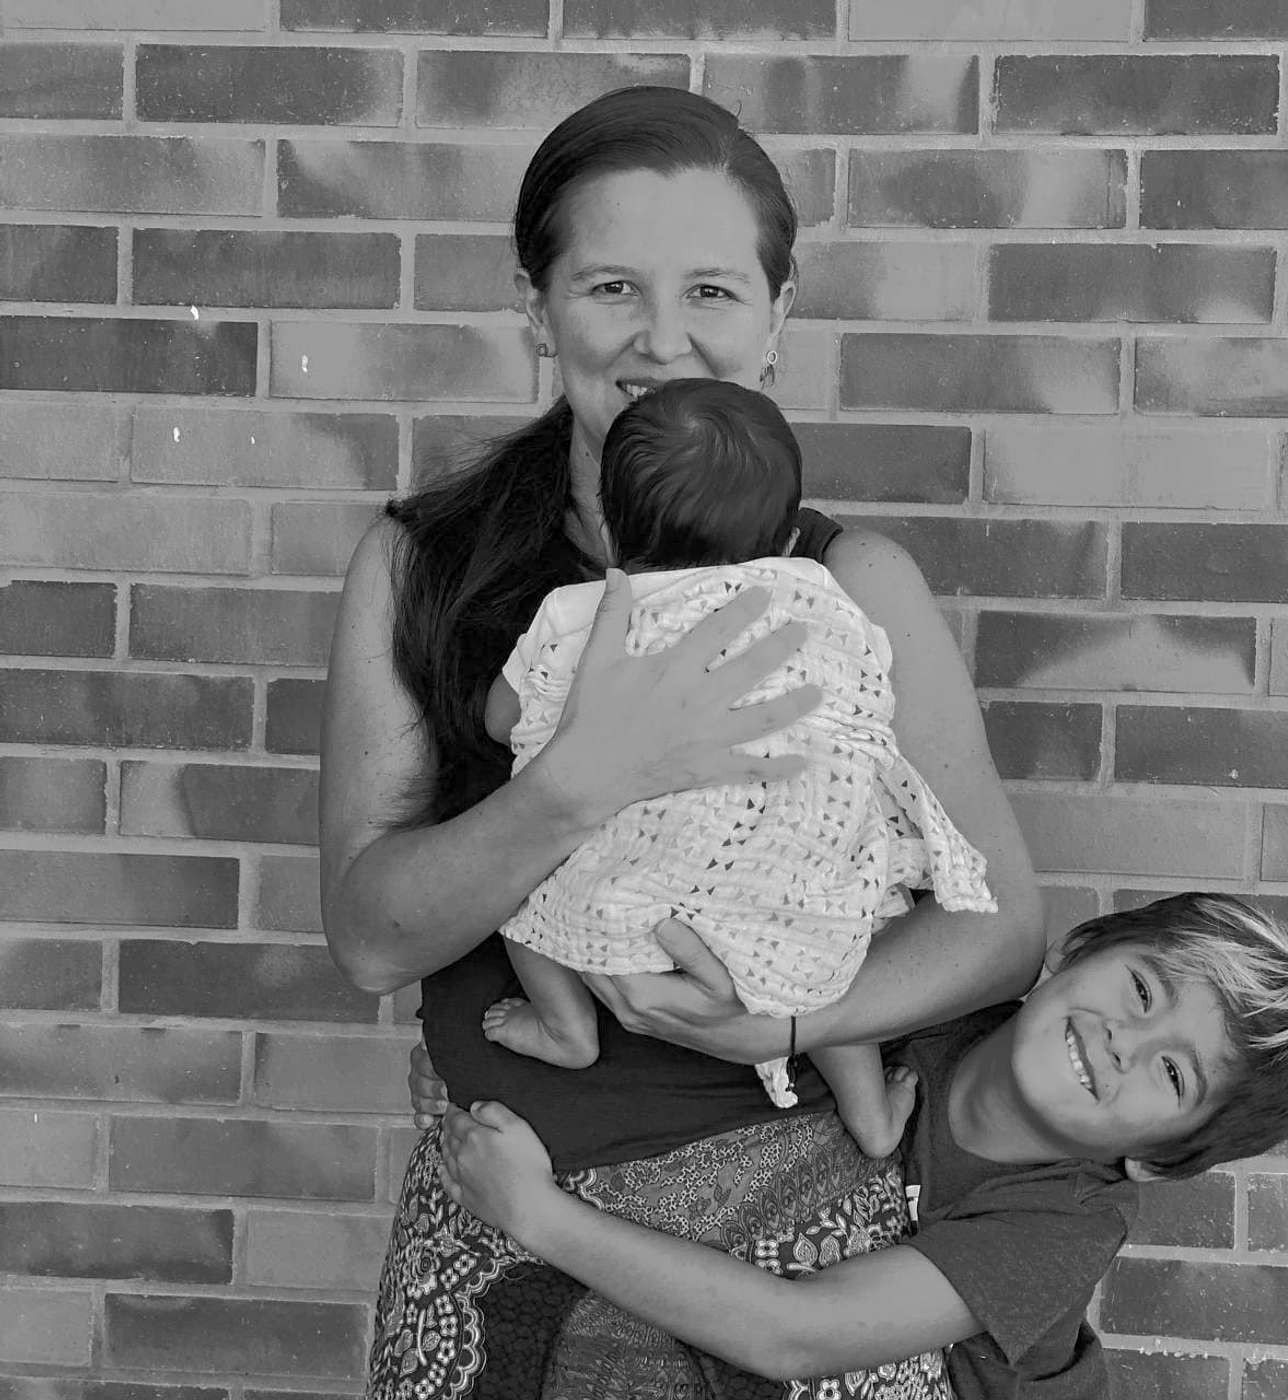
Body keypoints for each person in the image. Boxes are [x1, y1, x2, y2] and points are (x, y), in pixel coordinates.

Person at [319, 84, 1044, 1396]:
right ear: (535, 306)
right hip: (502, 1215)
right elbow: (372, 940)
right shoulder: (424, 564)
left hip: (805, 1229)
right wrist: (582, 778)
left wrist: (789, 1021)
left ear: (777, 312)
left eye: (711, 289)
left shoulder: (851, 583)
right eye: (610, 288)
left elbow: (997, 928)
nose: (663, 338)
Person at [428, 893, 1288, 1397]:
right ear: (1077, 953)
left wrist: (535, 1214)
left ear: (1158, 1158)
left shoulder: (1066, 1223)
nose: (1124, 1042)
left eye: (1173, 1075)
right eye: (1143, 991)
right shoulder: (938, 1000)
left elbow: (797, 1336)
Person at [481, 377, 997, 1158]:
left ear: (611, 531)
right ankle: (871, 1116)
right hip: (788, 890)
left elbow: (503, 720)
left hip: (626, 897)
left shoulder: (579, 611)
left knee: (513, 879)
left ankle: (564, 1026)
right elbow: (867, 698)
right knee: (833, 954)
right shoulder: (822, 597)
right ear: (787, 542)